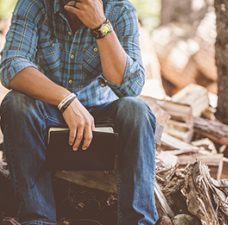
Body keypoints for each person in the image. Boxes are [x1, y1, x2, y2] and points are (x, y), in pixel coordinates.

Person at [0, 0, 171, 224]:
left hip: (102, 119)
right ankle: (37, 219)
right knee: (16, 103)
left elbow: (131, 87)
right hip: (49, 115)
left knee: (136, 110)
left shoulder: (120, 9)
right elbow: (11, 66)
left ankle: (139, 221)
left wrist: (101, 26)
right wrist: (66, 99)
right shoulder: (34, 4)